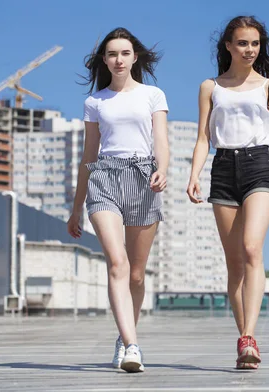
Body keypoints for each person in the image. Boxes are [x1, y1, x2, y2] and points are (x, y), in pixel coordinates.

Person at [186, 16, 269, 369]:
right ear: (228, 45)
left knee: (251, 248)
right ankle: (244, 338)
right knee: (235, 266)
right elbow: (203, 137)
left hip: (259, 166)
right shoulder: (210, 87)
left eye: (255, 44)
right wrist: (194, 175)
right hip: (224, 167)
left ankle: (249, 337)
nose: (249, 50)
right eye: (243, 43)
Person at [68, 27, 169, 373]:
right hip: (105, 179)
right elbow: (88, 154)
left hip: (143, 178)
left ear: (134, 57)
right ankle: (132, 346)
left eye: (124, 53)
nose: (118, 59)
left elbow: (161, 141)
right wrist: (75, 208)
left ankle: (125, 336)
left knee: (137, 275)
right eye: (112, 54)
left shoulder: (153, 95)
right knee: (118, 264)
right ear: (104, 60)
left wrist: (164, 169)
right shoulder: (95, 102)